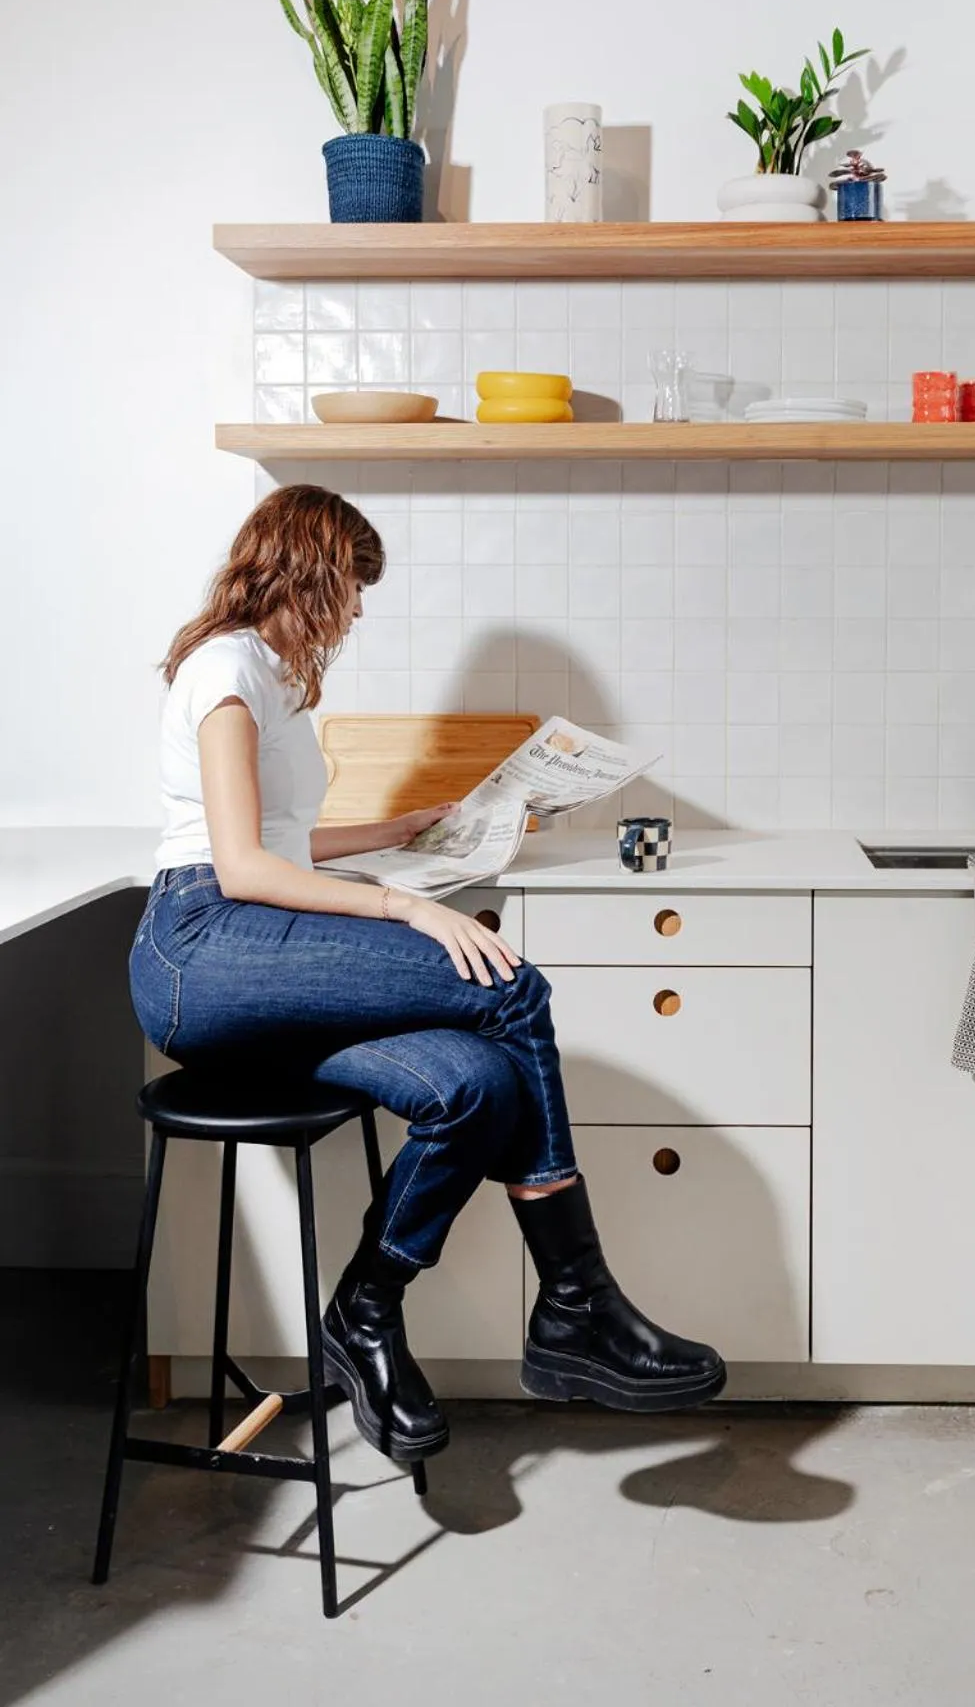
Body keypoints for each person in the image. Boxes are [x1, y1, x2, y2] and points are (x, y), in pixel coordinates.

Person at [129, 483, 725, 1465]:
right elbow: (239, 866)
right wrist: (403, 903)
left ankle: (365, 1310)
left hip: (258, 959)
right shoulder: (225, 668)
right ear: (310, 571)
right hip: (201, 949)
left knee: (477, 1084)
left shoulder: (274, 680)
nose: (357, 611)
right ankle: (576, 1303)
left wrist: (397, 831)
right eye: (352, 587)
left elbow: (284, 840)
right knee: (509, 988)